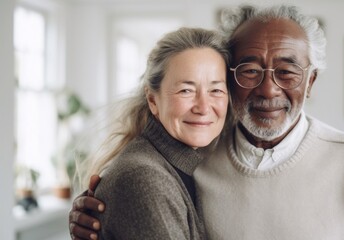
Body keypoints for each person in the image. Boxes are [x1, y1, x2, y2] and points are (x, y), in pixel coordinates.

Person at [69, 4, 344, 240]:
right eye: (250, 70)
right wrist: (101, 214)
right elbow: (142, 194)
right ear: (231, 79)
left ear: (310, 82)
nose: (268, 88)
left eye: (287, 71)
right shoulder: (195, 158)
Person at [70, 27, 230, 240]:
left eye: (216, 90)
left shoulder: (191, 164)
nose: (203, 107)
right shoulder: (145, 180)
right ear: (153, 100)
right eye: (186, 90)